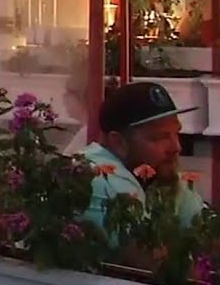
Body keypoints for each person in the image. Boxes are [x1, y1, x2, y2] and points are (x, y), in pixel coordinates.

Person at [80, 81, 206, 231]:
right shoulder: (97, 178)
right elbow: (139, 246)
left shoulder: (160, 175)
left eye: (176, 133)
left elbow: (207, 233)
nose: (176, 147)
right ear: (118, 142)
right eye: (159, 137)